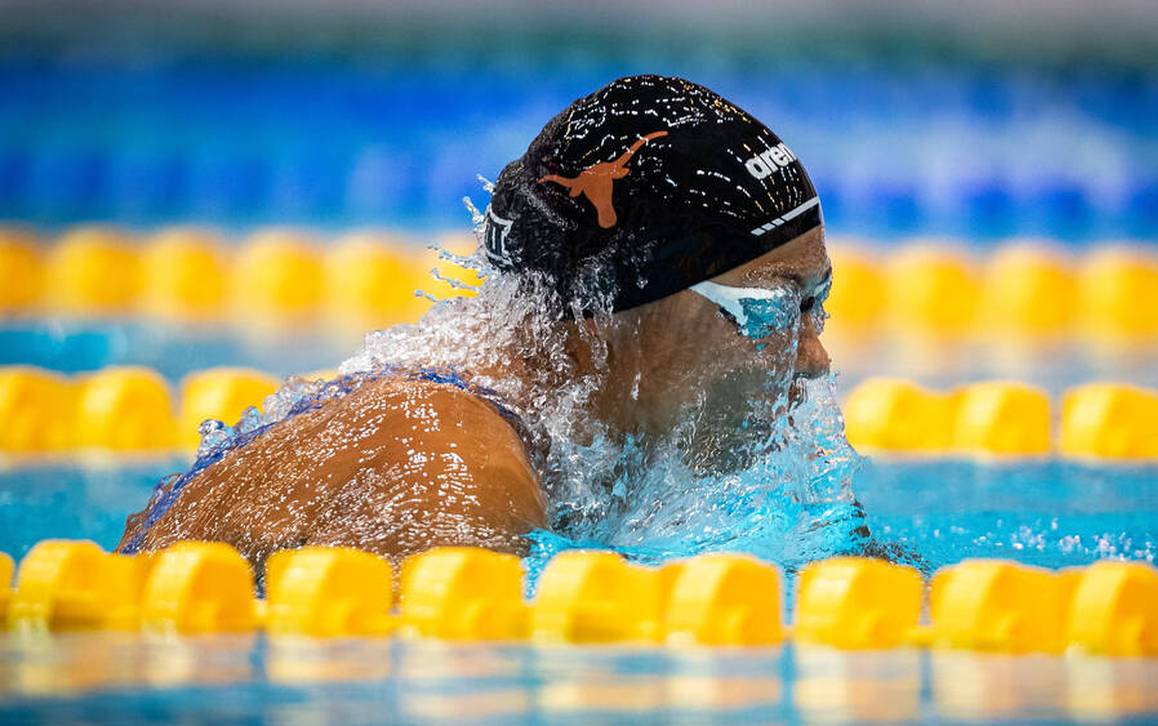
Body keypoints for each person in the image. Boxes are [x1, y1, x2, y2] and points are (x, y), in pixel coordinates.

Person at [118, 75, 834, 573]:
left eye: (816, 304)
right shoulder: (453, 480)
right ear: (597, 319)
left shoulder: (547, 439)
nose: (814, 357)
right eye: (770, 309)